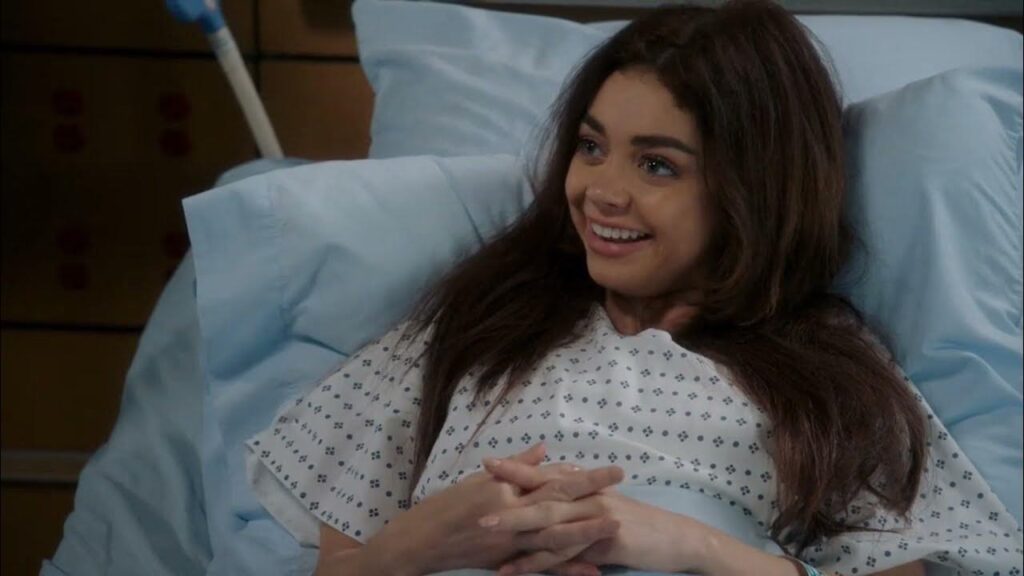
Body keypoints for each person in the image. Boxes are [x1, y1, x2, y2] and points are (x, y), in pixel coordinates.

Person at [244, 1, 1023, 575]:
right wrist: (432, 537)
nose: (600, 192)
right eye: (591, 147)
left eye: (656, 165)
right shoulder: (472, 331)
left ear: (754, 190)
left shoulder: (827, 377)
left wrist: (687, 543)